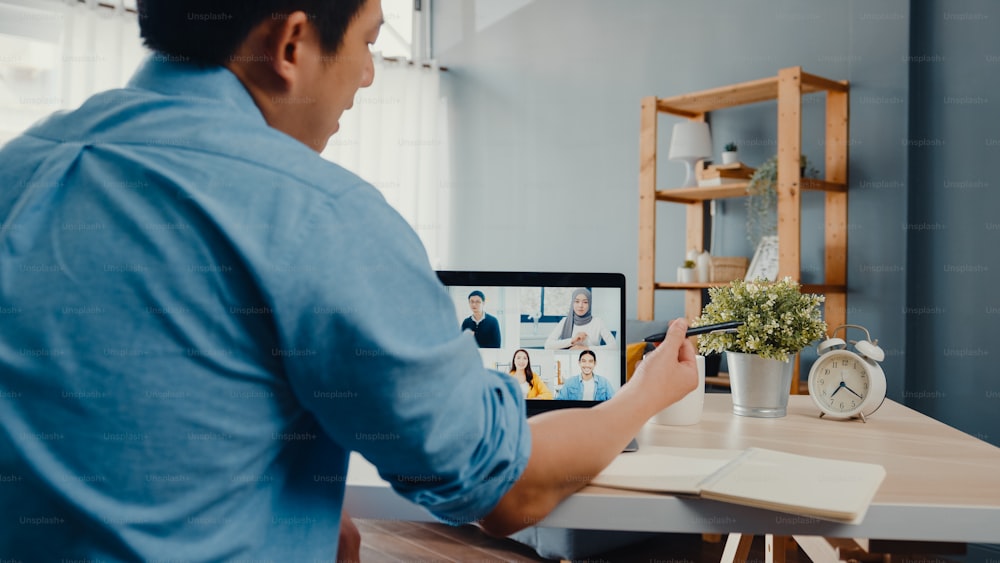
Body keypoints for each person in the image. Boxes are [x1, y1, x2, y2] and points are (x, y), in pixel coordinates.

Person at [0, 0, 699, 560]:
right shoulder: (319, 213)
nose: (369, 74)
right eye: (368, 41)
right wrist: (645, 393)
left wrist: (287, 497)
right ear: (292, 45)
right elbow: (504, 491)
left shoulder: (19, 166)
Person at [545, 288, 618, 350]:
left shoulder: (598, 322)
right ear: (572, 303)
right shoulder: (565, 321)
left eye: (585, 302)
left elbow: (614, 346)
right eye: (577, 301)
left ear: (589, 304)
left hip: (590, 362)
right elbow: (548, 345)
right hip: (568, 361)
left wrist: (586, 348)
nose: (580, 305)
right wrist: (572, 340)